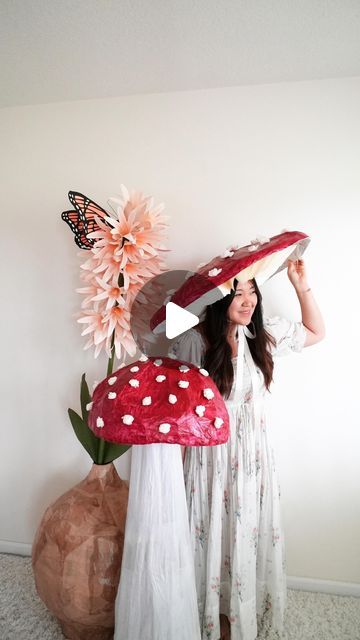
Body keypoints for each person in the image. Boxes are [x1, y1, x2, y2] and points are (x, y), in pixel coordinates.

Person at [168, 258, 325, 640]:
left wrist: (301, 286)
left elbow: (315, 333)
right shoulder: (194, 341)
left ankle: (238, 611)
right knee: (211, 533)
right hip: (210, 461)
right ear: (218, 298)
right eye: (238, 292)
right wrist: (175, 471)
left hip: (253, 460)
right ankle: (211, 617)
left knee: (243, 534)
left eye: (252, 291)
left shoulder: (262, 335)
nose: (248, 300)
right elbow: (177, 412)